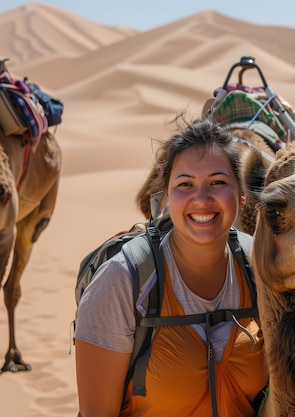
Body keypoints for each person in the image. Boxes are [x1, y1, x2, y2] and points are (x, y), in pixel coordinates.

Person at [74, 117, 267, 417]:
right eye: (185, 184)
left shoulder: (260, 269)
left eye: (218, 182)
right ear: (166, 196)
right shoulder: (123, 282)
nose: (201, 198)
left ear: (241, 195)